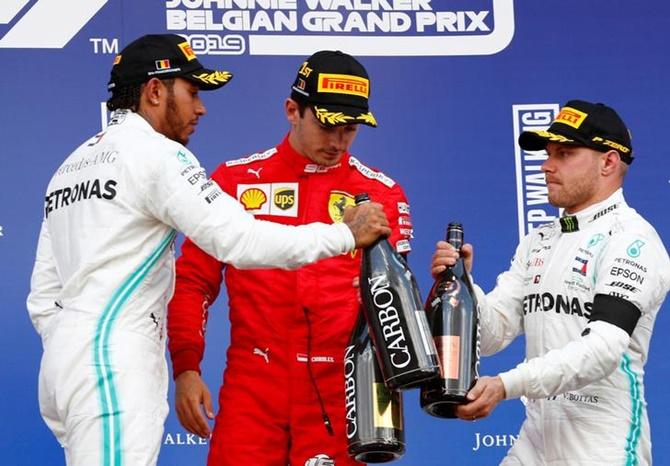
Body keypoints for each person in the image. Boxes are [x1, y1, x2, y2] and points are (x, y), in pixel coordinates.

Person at [26, 35, 390, 466]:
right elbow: (240, 240)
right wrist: (343, 235)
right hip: (113, 359)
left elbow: (43, 295)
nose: (200, 108)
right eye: (193, 92)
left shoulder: (69, 167)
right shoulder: (158, 155)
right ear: (155, 91)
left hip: (64, 363)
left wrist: (74, 342)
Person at [167, 50, 413, 466]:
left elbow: (397, 305)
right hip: (253, 386)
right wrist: (187, 367)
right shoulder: (234, 181)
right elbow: (193, 282)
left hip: (343, 392)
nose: (337, 142)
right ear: (292, 110)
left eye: (350, 130)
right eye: (327, 126)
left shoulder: (381, 194)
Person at [431, 100, 669, 465]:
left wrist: (505, 385)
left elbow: (604, 349)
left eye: (565, 153)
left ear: (608, 161)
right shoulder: (540, 240)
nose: (546, 165)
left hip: (602, 441)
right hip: (537, 436)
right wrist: (465, 286)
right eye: (548, 153)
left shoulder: (633, 241)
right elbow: (493, 336)